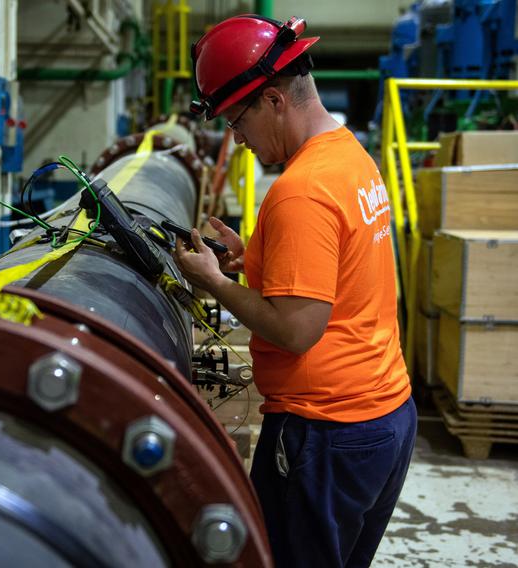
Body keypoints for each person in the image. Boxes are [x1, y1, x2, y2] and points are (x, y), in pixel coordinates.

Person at [173, 14, 418, 568]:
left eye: (237, 121)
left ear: (274, 101)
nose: (237, 139)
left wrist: (213, 281)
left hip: (328, 433)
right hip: (384, 416)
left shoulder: (299, 191)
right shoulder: (350, 156)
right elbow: (338, 271)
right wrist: (257, 261)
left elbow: (297, 329)